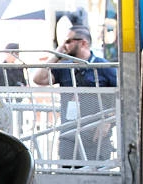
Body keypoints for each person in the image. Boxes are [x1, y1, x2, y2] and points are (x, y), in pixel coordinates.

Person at [33, 25, 117, 163]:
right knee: (66, 172)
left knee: (95, 174)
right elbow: (38, 79)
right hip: (68, 135)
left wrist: (108, 121)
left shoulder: (102, 66)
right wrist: (57, 54)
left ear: (83, 43)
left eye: (68, 41)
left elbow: (122, 95)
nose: (64, 45)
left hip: (95, 136)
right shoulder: (65, 66)